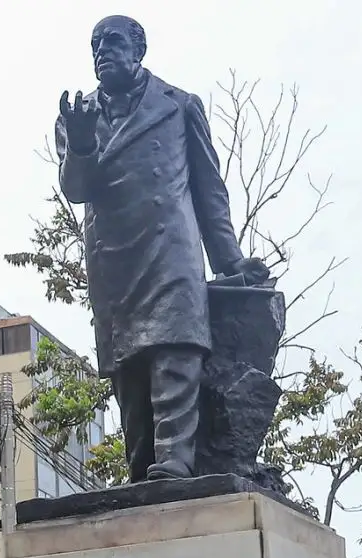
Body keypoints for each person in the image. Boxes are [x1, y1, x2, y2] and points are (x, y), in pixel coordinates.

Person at [54, 15, 268, 482]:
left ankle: (176, 459)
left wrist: (229, 260)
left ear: (138, 50)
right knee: (127, 372)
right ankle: (141, 471)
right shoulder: (78, 114)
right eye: (95, 46)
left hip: (170, 249)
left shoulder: (179, 105)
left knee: (176, 349)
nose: (101, 53)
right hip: (112, 260)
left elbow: (210, 192)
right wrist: (83, 140)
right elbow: (76, 188)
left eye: (111, 42)